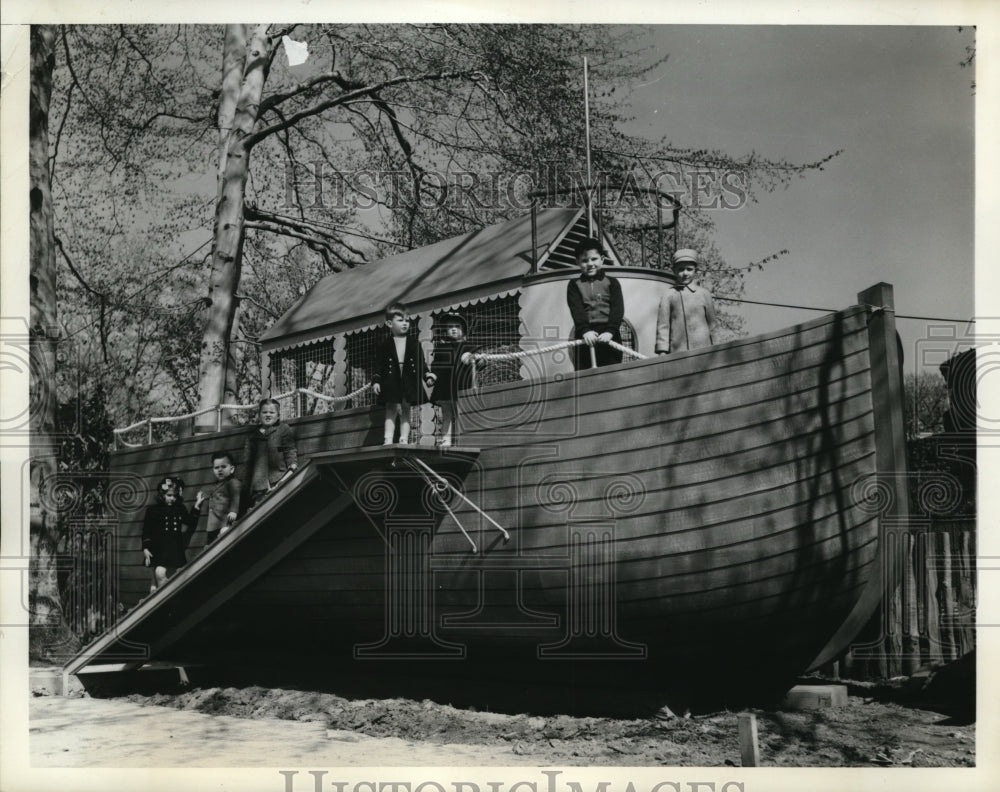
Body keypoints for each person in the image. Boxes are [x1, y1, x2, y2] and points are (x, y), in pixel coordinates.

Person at [424, 313, 485, 447]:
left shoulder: (469, 347)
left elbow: (480, 362)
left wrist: (479, 360)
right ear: (445, 330)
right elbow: (436, 366)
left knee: (461, 413)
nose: (453, 329)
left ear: (463, 330)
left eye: (457, 327)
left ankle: (461, 441)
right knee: (446, 413)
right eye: (450, 327)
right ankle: (446, 440)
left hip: (463, 386)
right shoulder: (441, 348)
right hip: (445, 386)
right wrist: (432, 377)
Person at [372, 302, 428, 445]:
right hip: (391, 380)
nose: (405, 323)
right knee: (391, 409)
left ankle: (404, 439)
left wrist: (427, 375)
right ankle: (388, 439)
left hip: (408, 379)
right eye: (400, 320)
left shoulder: (414, 343)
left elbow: (421, 363)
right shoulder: (384, 345)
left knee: (406, 409)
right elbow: (379, 365)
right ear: (390, 323)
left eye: (407, 320)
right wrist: (376, 381)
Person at [566, 237, 625, 369]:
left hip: (609, 335)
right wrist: (585, 330)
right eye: (584, 260)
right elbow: (577, 309)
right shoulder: (574, 285)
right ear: (577, 262)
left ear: (602, 259)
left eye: (594, 259)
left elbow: (618, 309)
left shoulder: (612, 283)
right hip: (585, 336)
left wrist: (610, 331)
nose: (590, 264)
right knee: (585, 377)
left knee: (612, 373)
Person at [654, 249, 717, 355]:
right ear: (674, 270)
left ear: (695, 271)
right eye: (681, 269)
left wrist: (717, 347)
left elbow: (713, 324)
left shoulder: (704, 294)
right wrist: (662, 350)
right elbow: (663, 325)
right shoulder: (668, 295)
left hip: (704, 351)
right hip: (678, 351)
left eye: (689, 269)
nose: (685, 273)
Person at [142, 479, 200, 593]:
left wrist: (197, 506)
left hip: (174, 548)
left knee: (170, 575)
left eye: (174, 496)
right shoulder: (153, 510)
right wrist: (145, 548)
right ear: (162, 494)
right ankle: (159, 597)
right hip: (158, 548)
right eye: (169, 495)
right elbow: (146, 530)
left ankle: (166, 596)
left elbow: (190, 521)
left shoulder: (179, 509)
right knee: (158, 574)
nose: (172, 499)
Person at [242, 398, 298, 507]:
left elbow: (290, 451)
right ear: (259, 415)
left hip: (280, 480)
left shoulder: (283, 429)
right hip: (258, 487)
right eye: (264, 412)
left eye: (272, 412)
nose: (268, 415)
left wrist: (290, 471)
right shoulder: (252, 436)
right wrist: (247, 487)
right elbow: (247, 463)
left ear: (278, 416)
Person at [197, 451, 242, 545]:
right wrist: (201, 496)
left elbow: (235, 496)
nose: (220, 470)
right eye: (216, 468)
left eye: (223, 467)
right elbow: (212, 493)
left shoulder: (232, 483)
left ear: (232, 469)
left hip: (224, 523)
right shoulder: (216, 485)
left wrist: (234, 511)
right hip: (213, 525)